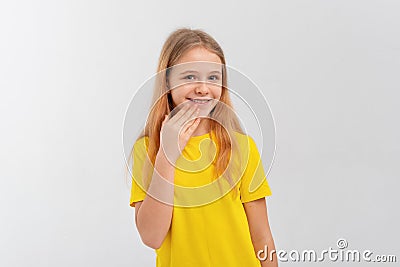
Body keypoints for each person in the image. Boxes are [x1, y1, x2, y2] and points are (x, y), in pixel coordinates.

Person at [128, 28, 278, 267]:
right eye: (189, 77)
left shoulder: (242, 148)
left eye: (213, 78)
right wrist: (167, 155)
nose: (203, 88)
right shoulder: (147, 150)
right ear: (167, 80)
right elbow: (152, 236)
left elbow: (262, 238)